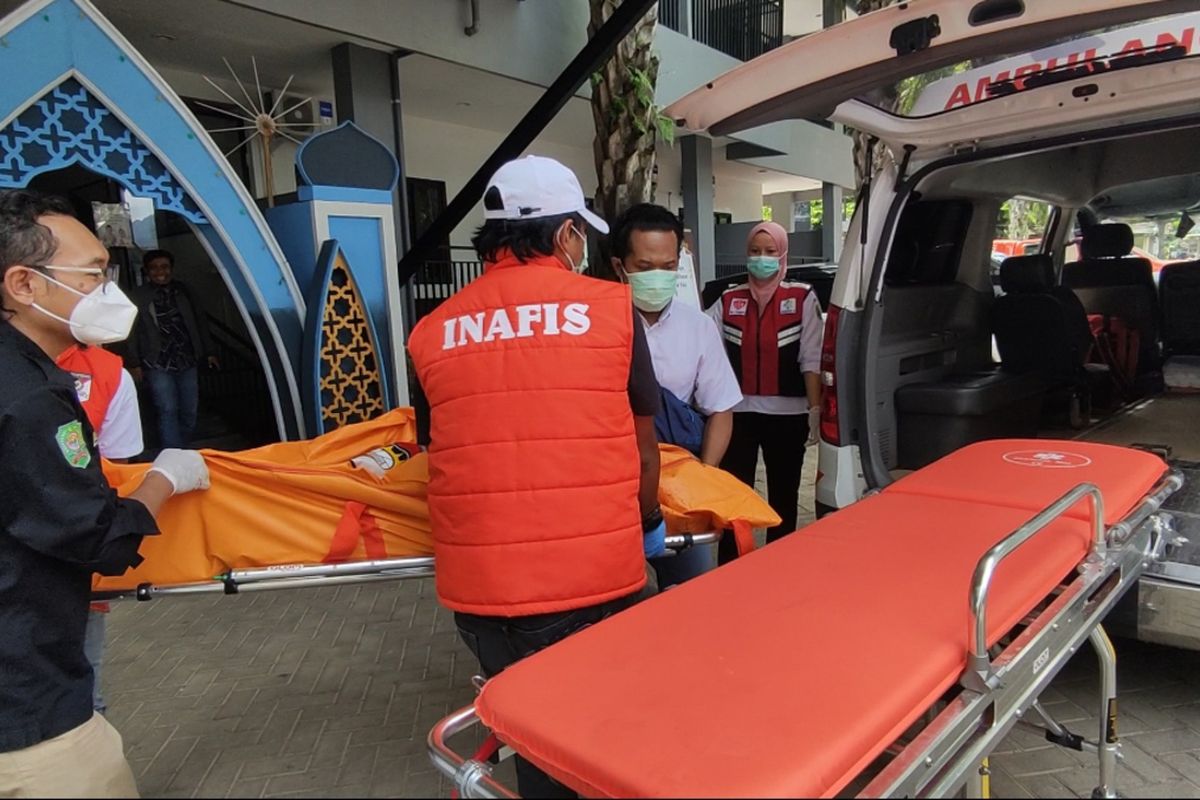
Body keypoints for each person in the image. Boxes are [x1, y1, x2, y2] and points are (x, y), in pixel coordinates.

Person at [407, 155, 663, 798]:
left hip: (480, 594)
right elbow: (643, 439)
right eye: (580, 231)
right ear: (562, 236)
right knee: (603, 740)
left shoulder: (433, 328)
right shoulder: (609, 308)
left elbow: (438, 443)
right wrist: (651, 519)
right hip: (591, 581)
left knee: (528, 728)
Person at [0, 189, 210, 797]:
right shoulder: (29, 396)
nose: (108, 289)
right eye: (93, 273)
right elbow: (97, 537)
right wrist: (162, 481)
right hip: (26, 706)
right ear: (25, 284)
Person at [610, 203, 742, 586]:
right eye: (645, 267)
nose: (658, 277)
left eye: (668, 268)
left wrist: (703, 477)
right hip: (611, 488)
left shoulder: (698, 327)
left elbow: (720, 408)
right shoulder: (595, 326)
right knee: (611, 603)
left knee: (692, 592)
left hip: (678, 489)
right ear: (620, 267)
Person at [707, 221, 823, 564]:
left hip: (789, 416)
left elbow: (811, 358)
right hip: (737, 415)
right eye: (755, 252)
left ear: (783, 255)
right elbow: (707, 352)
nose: (762, 259)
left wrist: (815, 410)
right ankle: (732, 565)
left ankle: (778, 566)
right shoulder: (728, 299)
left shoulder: (801, 297)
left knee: (782, 497)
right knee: (735, 496)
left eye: (770, 252)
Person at [56, 340, 145, 717]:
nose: (101, 290)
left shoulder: (108, 374)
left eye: (102, 277)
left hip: (71, 556)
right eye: (88, 278)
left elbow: (111, 479)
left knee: (84, 694)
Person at [127, 249, 218, 450]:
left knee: (189, 410)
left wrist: (209, 351)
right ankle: (174, 455)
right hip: (156, 361)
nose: (160, 272)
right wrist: (133, 362)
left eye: (165, 267)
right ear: (146, 271)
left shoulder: (184, 291)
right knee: (167, 409)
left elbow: (199, 321)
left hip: (187, 358)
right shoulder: (138, 296)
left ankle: (182, 449)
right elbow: (130, 331)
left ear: (172, 269)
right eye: (154, 268)